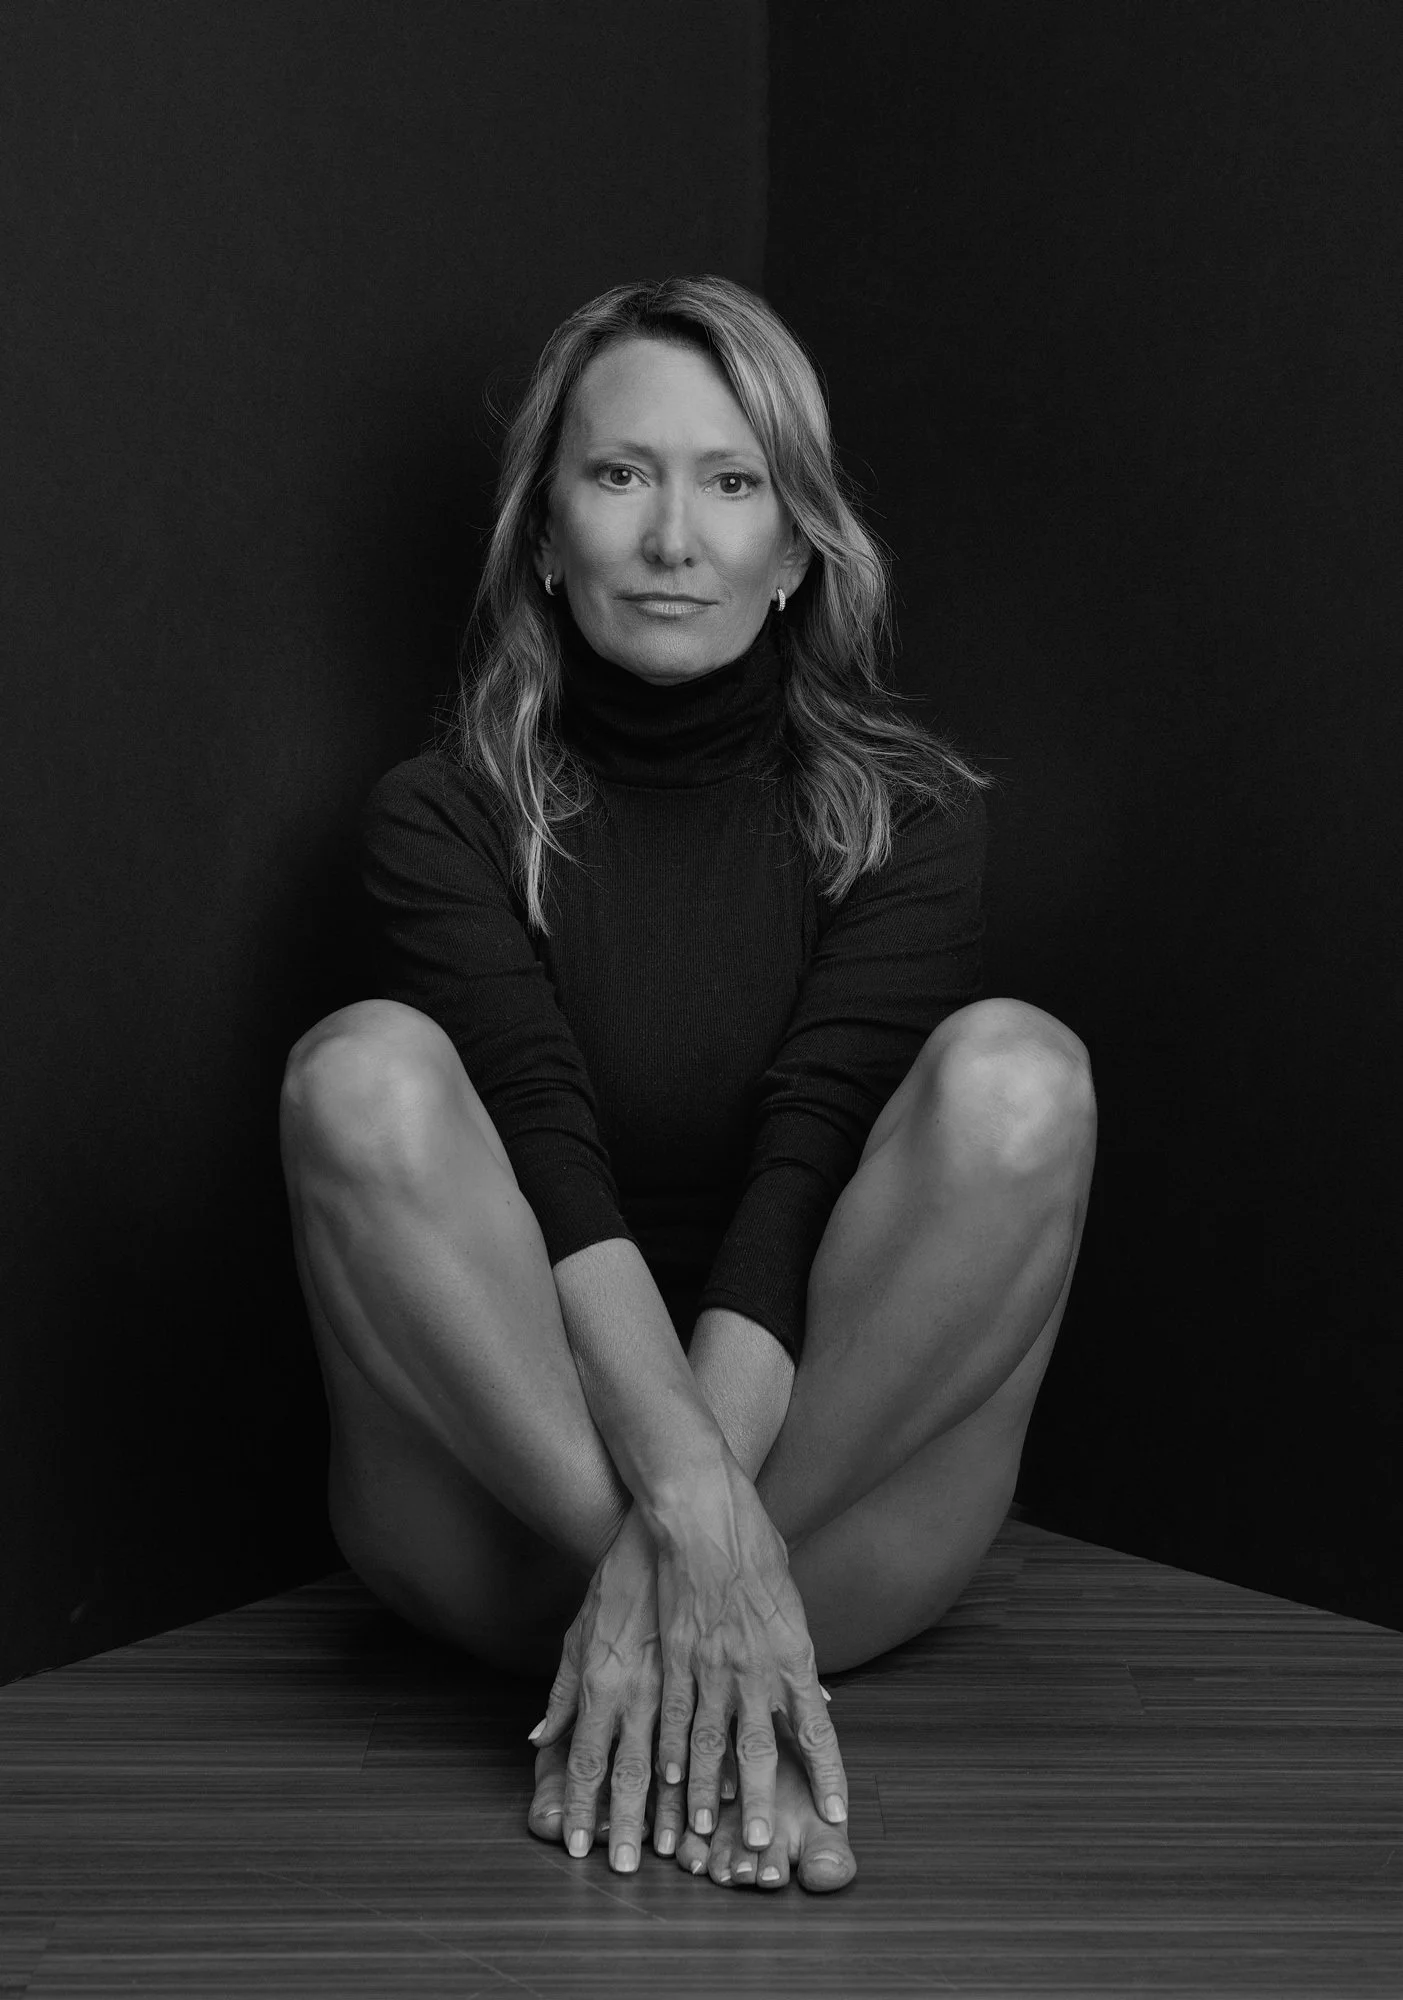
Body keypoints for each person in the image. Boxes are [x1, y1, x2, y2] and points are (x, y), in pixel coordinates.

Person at [278, 274, 1097, 1896]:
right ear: (544, 533)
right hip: (498, 1527)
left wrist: (720, 1547)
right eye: (618, 474)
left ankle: (686, 1646)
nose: (671, 538)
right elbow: (550, 1165)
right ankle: (724, 1666)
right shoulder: (440, 817)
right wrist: (691, 1542)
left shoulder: (910, 820)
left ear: (794, 549)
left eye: (730, 482)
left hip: (834, 1531)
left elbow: (799, 1184)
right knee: (358, 1070)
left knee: (1023, 1076)